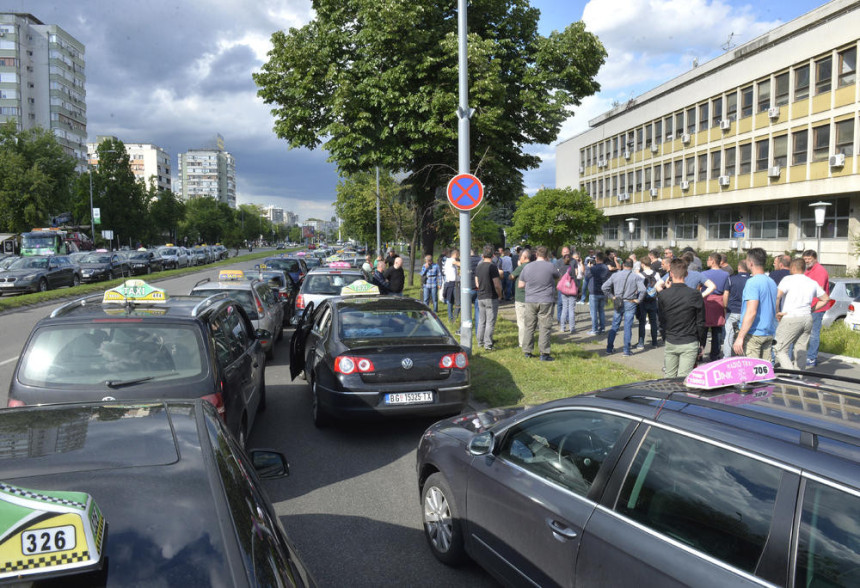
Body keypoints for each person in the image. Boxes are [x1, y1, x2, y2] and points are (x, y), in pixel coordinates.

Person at [774, 258, 830, 370]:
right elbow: (825, 299)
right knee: (800, 350)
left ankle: (791, 374)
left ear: (793, 267)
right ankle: (799, 378)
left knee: (779, 348)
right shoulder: (811, 282)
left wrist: (777, 312)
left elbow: (777, 296)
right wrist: (811, 309)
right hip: (807, 318)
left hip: (791, 317)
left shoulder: (787, 279)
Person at [658, 258, 706, 378]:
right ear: (686, 274)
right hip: (689, 341)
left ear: (671, 273)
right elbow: (700, 321)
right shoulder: (695, 294)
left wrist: (665, 337)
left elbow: (662, 320)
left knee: (669, 377)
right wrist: (702, 343)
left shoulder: (664, 295)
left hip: (671, 339)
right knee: (684, 379)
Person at [733, 248, 778, 359]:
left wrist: (740, 337)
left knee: (751, 373)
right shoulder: (771, 282)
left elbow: (751, 311)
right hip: (768, 332)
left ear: (751, 263)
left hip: (753, 334)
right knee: (764, 372)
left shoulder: (752, 282)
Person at [518, 246, 560, 361]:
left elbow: (520, 285)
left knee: (529, 326)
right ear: (547, 256)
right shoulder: (551, 266)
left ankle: (527, 351)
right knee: (545, 327)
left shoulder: (527, 267)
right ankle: (544, 353)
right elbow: (557, 278)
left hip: (531, 300)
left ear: (536, 254)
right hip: (546, 299)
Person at [602, 259, 645, 356]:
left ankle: (609, 348)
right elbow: (643, 290)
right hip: (630, 302)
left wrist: (612, 297)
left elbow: (604, 287)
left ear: (623, 265)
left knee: (615, 325)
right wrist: (639, 300)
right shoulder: (636, 277)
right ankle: (626, 350)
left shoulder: (615, 275)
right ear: (632, 266)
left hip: (618, 301)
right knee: (628, 326)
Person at [802, 249, 833, 368]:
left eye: (809, 259)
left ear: (815, 258)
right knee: (805, 333)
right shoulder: (808, 270)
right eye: (805, 259)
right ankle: (806, 355)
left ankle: (811, 358)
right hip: (808, 306)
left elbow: (818, 290)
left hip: (817, 307)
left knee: (814, 333)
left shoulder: (820, 271)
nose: (807, 261)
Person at [701, 253, 730, 361]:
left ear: (713, 261)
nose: (707, 262)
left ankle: (700, 353)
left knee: (703, 330)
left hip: (706, 300)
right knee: (717, 330)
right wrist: (725, 306)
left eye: (708, 259)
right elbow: (727, 291)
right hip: (719, 301)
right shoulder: (726, 274)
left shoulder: (704, 273)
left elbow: (699, 288)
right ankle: (715, 355)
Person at [475, 245, 502, 350]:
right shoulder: (492, 266)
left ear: (483, 255)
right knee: (490, 321)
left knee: (482, 320)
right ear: (493, 255)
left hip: (480, 296)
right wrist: (500, 295)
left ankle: (480, 341)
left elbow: (477, 283)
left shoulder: (479, 266)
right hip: (491, 296)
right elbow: (497, 284)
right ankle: (488, 344)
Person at [722, 260, 751, 358]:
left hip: (732, 310)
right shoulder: (751, 280)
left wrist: (725, 307)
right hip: (746, 312)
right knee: (745, 336)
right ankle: (743, 356)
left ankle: (727, 357)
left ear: (739, 268)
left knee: (729, 335)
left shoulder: (731, 279)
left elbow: (726, 294)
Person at [510, 249, 533, 349]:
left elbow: (511, 276)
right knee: (530, 322)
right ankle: (530, 341)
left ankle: (522, 343)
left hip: (521, 298)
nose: (519, 258)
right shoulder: (533, 266)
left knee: (521, 322)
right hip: (531, 297)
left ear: (524, 257)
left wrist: (519, 266)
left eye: (520, 257)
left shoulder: (522, 267)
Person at [636, 261, 660, 348]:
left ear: (643, 264)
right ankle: (654, 343)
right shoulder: (656, 274)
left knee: (642, 322)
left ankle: (641, 343)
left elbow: (638, 288)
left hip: (643, 300)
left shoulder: (640, 274)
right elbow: (659, 285)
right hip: (653, 300)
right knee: (653, 322)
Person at [585, 252, 609, 334]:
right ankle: (602, 328)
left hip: (594, 292)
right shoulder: (606, 268)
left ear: (597, 258)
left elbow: (587, 276)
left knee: (593, 312)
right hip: (603, 292)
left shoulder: (593, 268)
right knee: (601, 311)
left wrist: (588, 267)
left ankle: (594, 329)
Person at [557, 253, 577, 333]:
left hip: (563, 291)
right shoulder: (571, 268)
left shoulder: (561, 268)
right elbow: (575, 279)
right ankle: (572, 328)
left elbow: (559, 278)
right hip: (571, 290)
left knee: (564, 308)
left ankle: (562, 328)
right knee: (571, 309)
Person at [442, 249, 460, 322]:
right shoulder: (450, 260)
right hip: (451, 283)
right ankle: (452, 318)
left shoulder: (451, 262)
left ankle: (452, 317)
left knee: (452, 301)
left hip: (454, 283)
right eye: (458, 254)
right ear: (455, 254)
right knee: (452, 301)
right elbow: (458, 263)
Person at [555, 246, 571, 324]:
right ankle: (559, 318)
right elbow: (557, 274)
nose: (566, 253)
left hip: (570, 285)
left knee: (568, 303)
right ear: (561, 253)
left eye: (567, 252)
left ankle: (567, 318)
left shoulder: (572, 261)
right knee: (560, 303)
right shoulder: (558, 262)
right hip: (561, 285)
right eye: (564, 252)